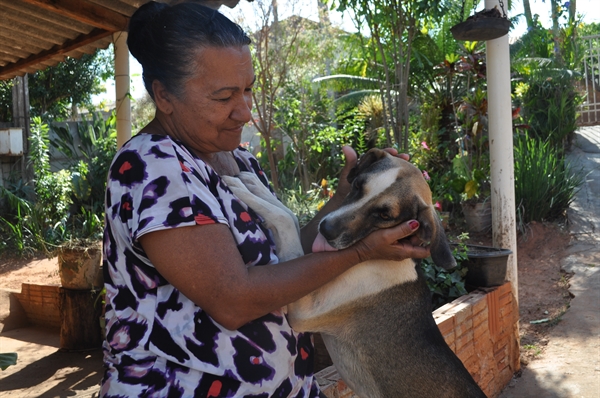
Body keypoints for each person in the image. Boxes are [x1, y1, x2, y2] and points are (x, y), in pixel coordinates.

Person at [100, 1, 431, 397]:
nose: (244, 111)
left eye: (248, 89)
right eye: (224, 96)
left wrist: (347, 196)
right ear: (163, 96)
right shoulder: (153, 167)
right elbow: (234, 299)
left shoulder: (236, 159)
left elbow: (286, 255)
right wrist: (361, 253)